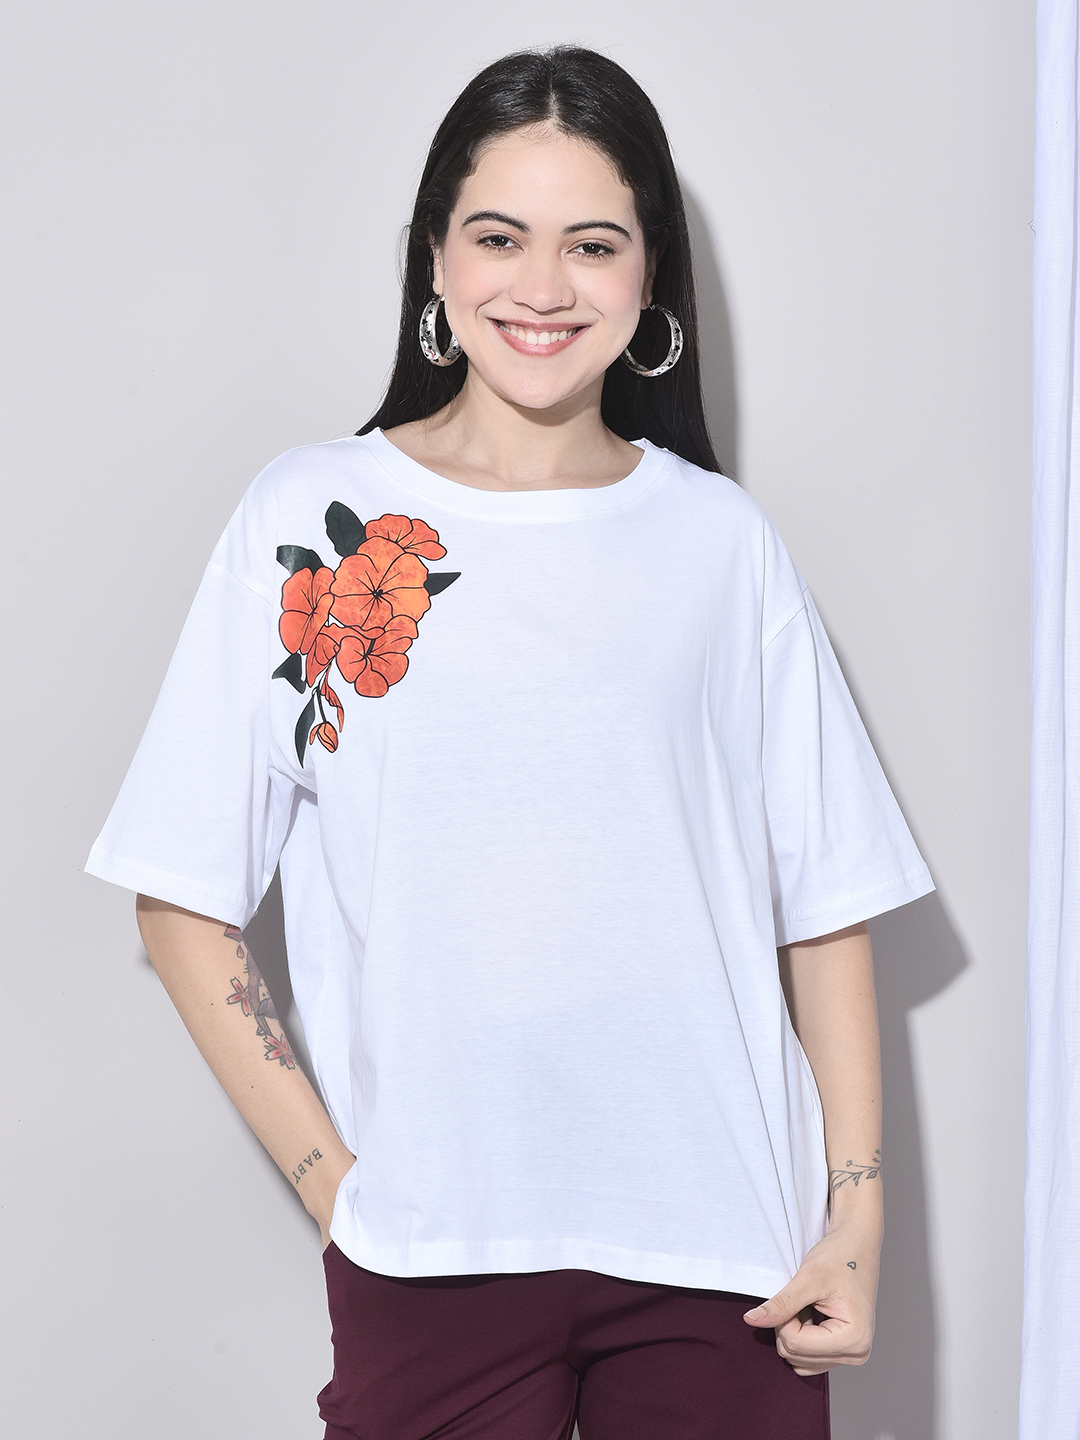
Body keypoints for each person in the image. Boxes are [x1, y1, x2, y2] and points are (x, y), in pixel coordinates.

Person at [86, 45, 932, 1440]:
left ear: (649, 277)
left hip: (724, 1253)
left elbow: (823, 903)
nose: (543, 287)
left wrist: (857, 1221)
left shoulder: (720, 543)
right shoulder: (311, 521)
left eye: (592, 244)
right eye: (498, 237)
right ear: (434, 257)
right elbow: (181, 896)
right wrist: (340, 1194)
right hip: (432, 1251)